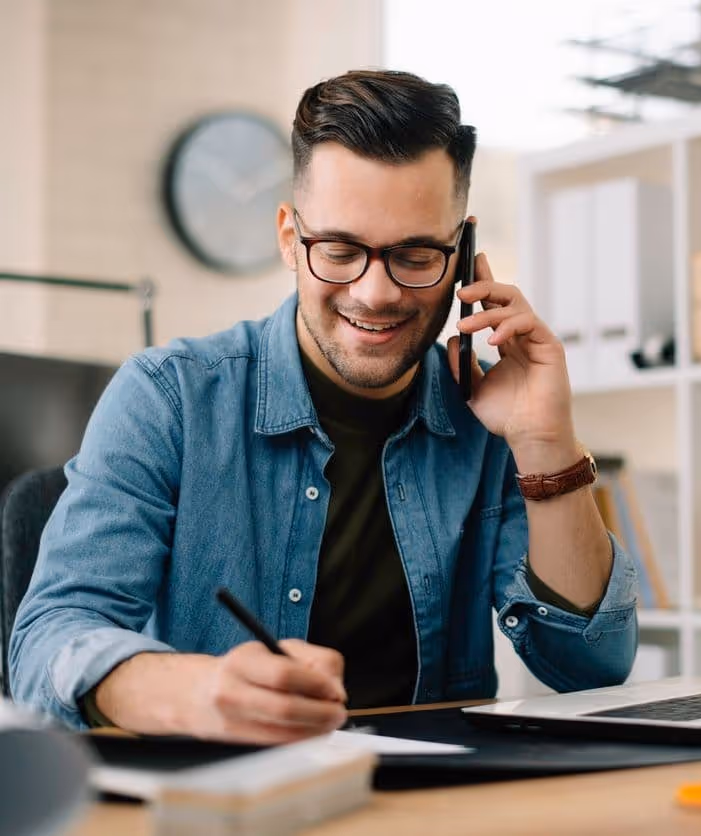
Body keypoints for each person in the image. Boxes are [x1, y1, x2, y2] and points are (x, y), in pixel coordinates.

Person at [10, 69, 637, 744]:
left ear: (460, 252)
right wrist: (191, 692)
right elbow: (47, 645)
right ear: (288, 237)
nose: (374, 292)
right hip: (232, 797)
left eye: (415, 254)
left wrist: (544, 443)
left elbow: (591, 666)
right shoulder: (169, 397)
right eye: (339, 250)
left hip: (434, 798)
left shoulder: (489, 412)